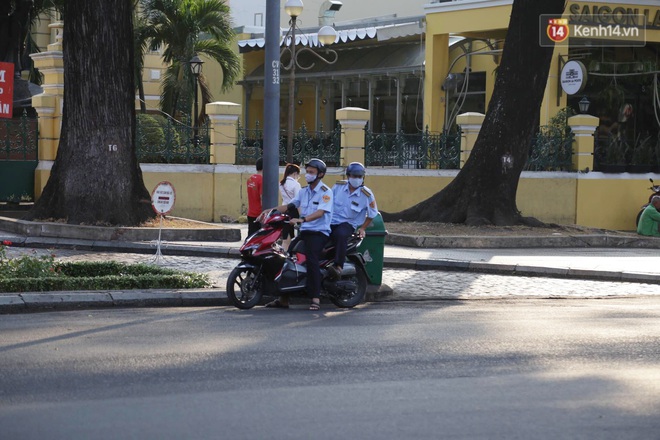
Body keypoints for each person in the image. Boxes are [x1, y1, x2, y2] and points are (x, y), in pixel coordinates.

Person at [263, 158, 333, 311]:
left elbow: (321, 212)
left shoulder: (325, 192)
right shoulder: (303, 191)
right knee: (287, 258)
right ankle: (284, 299)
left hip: (319, 233)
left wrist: (302, 219)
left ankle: (315, 298)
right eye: (307, 172)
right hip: (305, 232)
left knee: (311, 260)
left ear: (320, 174)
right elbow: (290, 205)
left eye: (311, 172)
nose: (308, 175)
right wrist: (270, 211)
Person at [327, 162, 378, 279]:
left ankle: (338, 266)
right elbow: (327, 203)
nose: (357, 179)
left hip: (347, 223)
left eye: (360, 177)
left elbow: (372, 213)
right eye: (354, 176)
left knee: (340, 235)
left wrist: (363, 227)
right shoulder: (338, 187)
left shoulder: (366, 194)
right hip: (330, 221)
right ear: (348, 176)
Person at [279, 163, 301, 250]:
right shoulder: (296, 184)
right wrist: (301, 215)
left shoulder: (281, 184)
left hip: (284, 210)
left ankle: (284, 253)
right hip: (294, 211)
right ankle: (287, 255)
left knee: (286, 236)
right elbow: (298, 201)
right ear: (295, 173)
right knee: (292, 237)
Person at [246, 157, 263, 236]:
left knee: (251, 236)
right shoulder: (262, 180)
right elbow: (262, 197)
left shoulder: (250, 178)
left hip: (251, 212)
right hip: (259, 213)